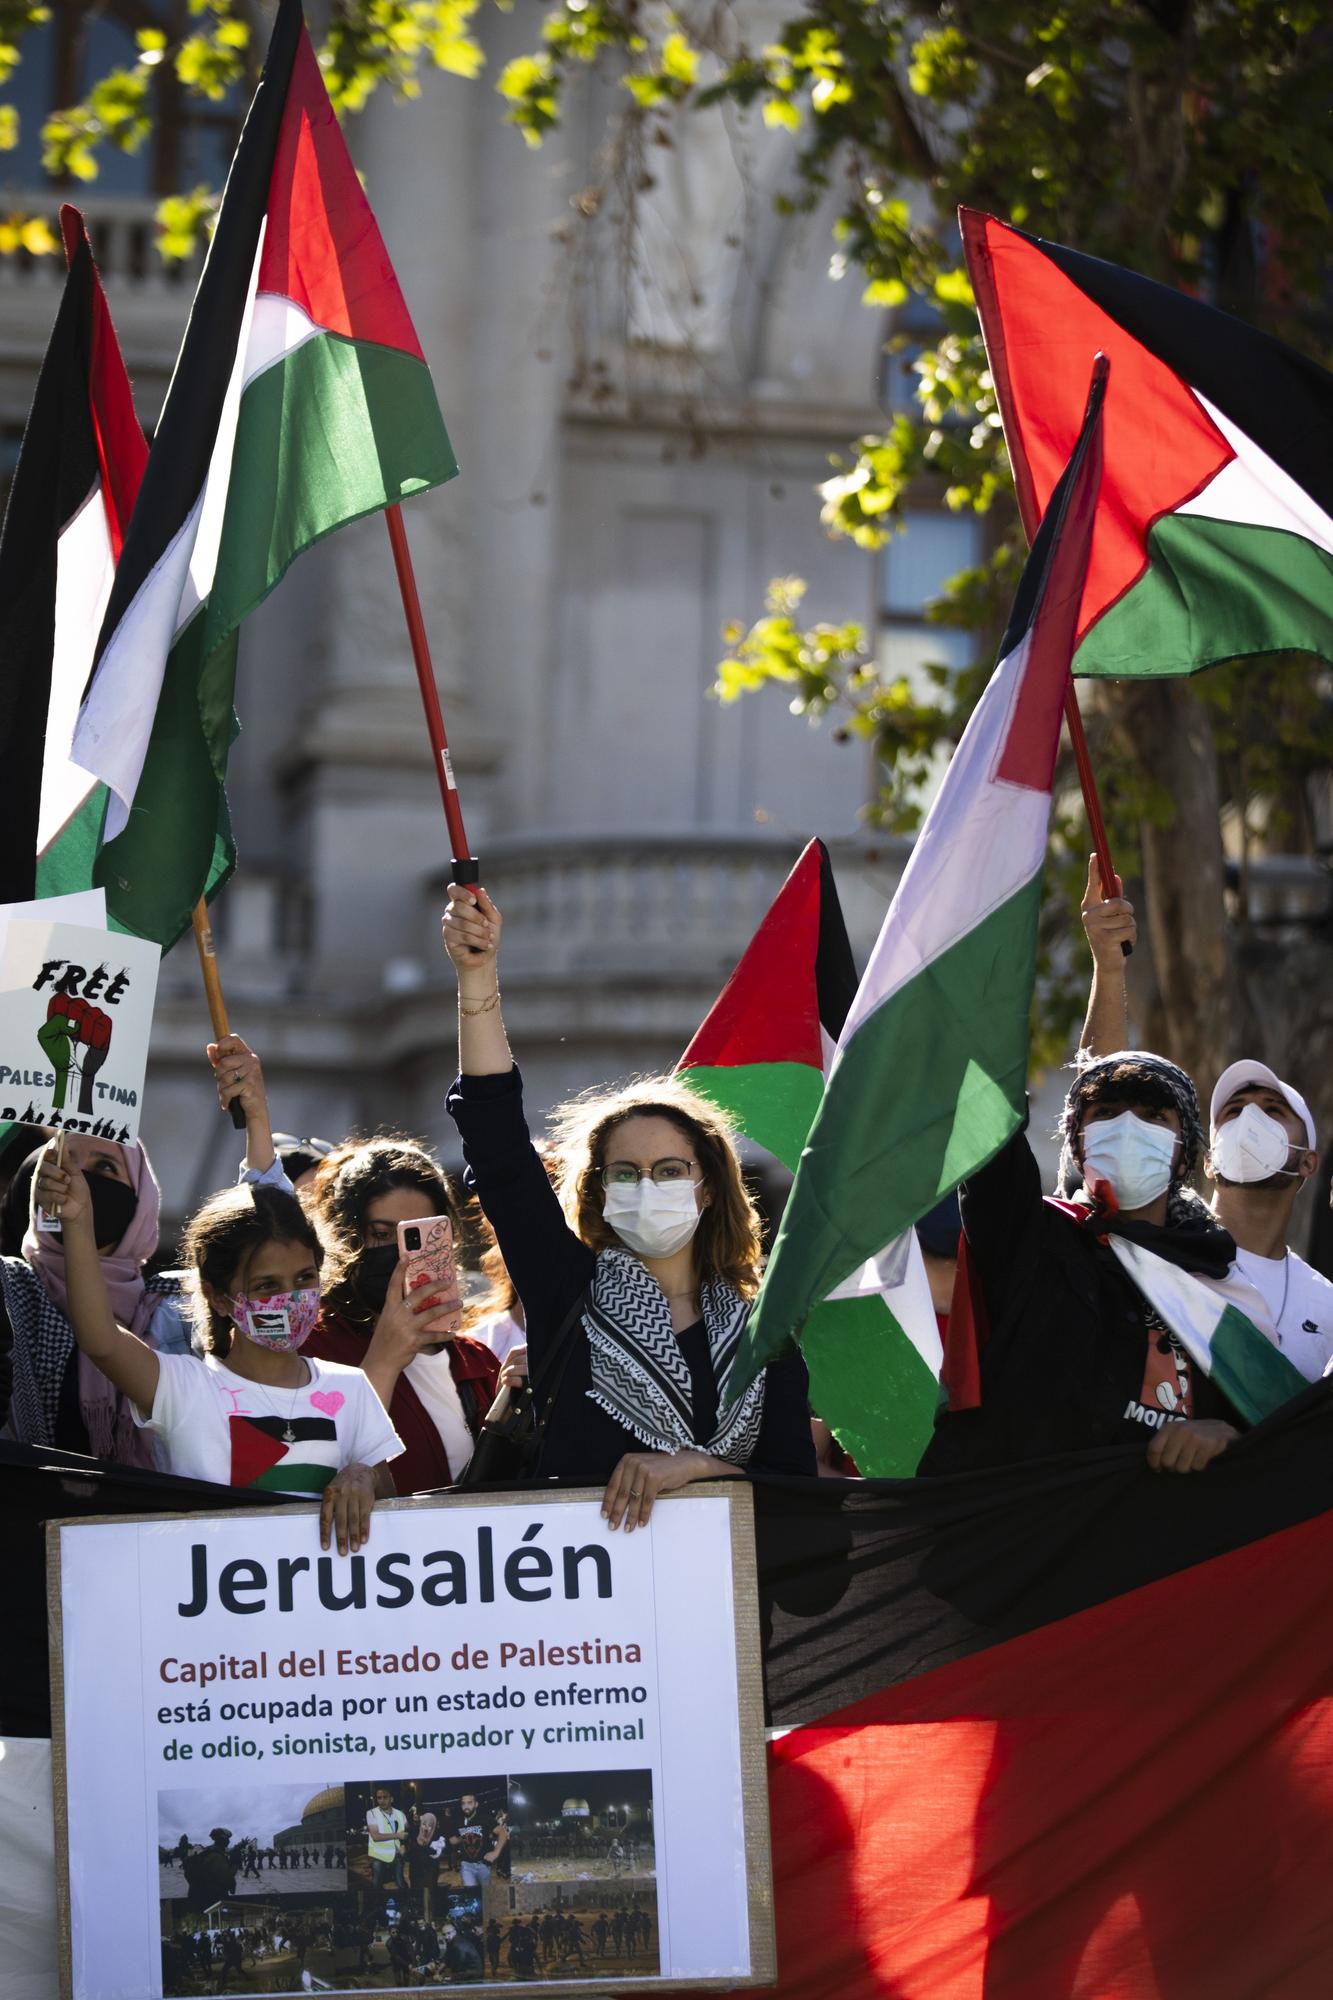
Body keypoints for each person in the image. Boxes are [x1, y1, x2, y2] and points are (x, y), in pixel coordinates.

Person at [442, 883, 817, 1524]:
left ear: (707, 1186)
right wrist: (477, 980)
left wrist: (697, 1465)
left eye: (669, 1170)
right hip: (577, 1604)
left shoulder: (765, 1337)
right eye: (626, 1173)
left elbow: (800, 1496)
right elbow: (498, 1145)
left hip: (718, 1610)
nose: (648, 1186)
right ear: (598, 1191)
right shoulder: (567, 1291)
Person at [919, 1048, 1261, 1477]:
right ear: (1077, 1142)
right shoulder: (1031, 1239)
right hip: (1026, 1529)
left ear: (1184, 1152)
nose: (1128, 1128)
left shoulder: (1224, 1286)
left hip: (1167, 1537)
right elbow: (985, 1114)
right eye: (1106, 1112)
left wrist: (1233, 1438)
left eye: (1154, 1115)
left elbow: (1280, 1434)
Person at [32, 1151, 398, 1551]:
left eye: (304, 1278)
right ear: (218, 1297)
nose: (291, 1300)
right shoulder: (183, 1387)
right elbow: (100, 1339)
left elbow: (391, 1509)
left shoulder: (352, 1388)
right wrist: (78, 1222)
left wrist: (364, 1474)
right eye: (266, 1285)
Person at [1080, 858, 1333, 1379]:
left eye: (1273, 1110)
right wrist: (1108, 967)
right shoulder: (1161, 1244)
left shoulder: (1327, 1304)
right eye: (1234, 1112)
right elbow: (1104, 1088)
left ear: (1309, 1162)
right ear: (1209, 1161)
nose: (1249, 1120)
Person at [306, 1136, 500, 1491]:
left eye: (419, 1236)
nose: (401, 1255)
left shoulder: (476, 1359)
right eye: (381, 1234)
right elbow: (321, 1473)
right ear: (345, 1237)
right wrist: (383, 1361)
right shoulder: (313, 1352)